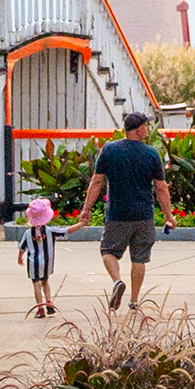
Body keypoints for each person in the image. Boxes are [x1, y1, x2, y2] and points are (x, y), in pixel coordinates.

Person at [77, 109, 171, 311]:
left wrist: (86, 209)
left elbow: (97, 181)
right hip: (144, 216)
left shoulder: (109, 149)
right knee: (139, 258)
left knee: (108, 252)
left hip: (117, 214)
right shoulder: (152, 154)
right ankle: (134, 301)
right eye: (146, 125)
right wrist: (169, 215)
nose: (148, 129)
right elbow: (161, 188)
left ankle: (117, 282)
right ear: (138, 130)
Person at [17, 195, 59, 317]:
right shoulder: (50, 231)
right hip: (46, 262)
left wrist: (19, 257)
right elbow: (67, 230)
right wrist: (81, 224)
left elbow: (22, 247)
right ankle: (49, 303)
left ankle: (40, 308)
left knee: (36, 284)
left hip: (33, 262)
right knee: (45, 282)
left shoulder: (28, 233)